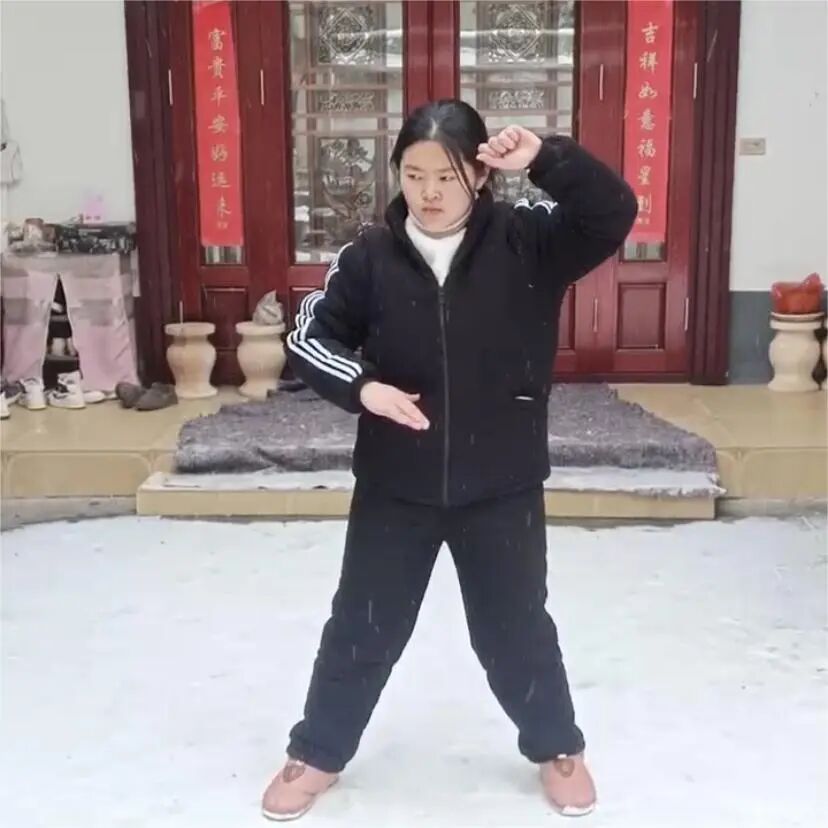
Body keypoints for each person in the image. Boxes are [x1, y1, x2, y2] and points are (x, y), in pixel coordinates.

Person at [263, 99, 637, 821]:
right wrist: (362, 386)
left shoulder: (530, 241)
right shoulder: (370, 256)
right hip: (395, 485)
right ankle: (318, 752)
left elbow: (612, 213)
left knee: (516, 628)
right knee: (362, 626)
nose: (428, 192)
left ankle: (557, 747)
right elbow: (310, 337)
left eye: (446, 175)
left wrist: (546, 160)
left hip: (501, 483)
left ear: (480, 175)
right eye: (414, 175)